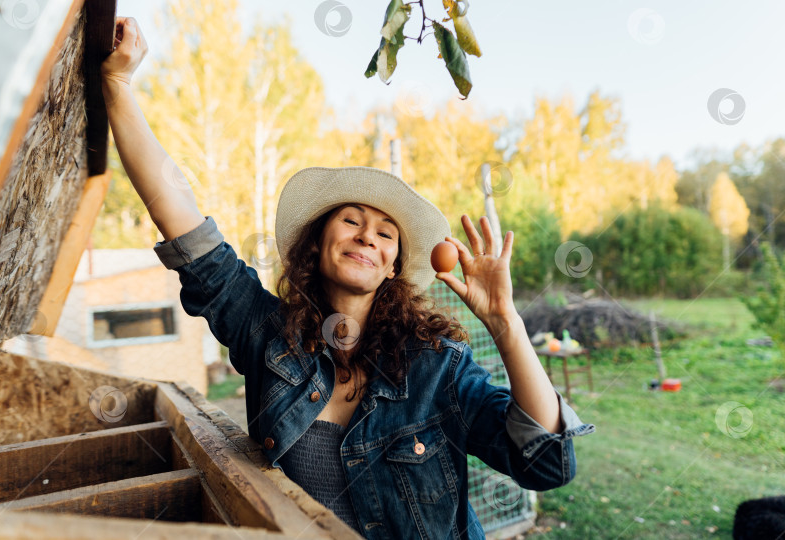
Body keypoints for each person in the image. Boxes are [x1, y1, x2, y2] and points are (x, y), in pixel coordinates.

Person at [101, 17, 596, 539]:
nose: (367, 237)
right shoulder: (268, 335)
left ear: (393, 266)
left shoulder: (436, 369)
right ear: (318, 242)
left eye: (386, 235)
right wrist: (118, 84)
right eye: (352, 221)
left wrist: (505, 323)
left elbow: (545, 466)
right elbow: (182, 222)